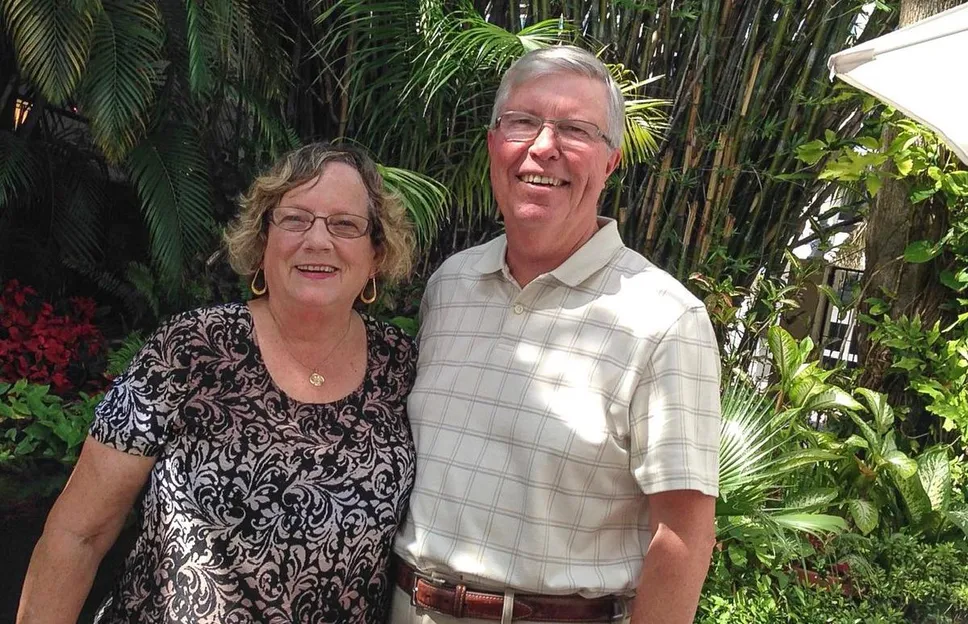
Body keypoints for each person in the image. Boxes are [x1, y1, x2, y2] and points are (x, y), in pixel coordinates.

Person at [17, 143, 418, 624]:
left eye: (345, 224)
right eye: (294, 219)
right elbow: (77, 534)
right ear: (262, 240)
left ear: (376, 254)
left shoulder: (401, 368)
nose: (317, 240)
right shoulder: (190, 350)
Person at [391, 46, 721, 624]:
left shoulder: (665, 319)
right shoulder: (451, 286)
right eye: (522, 122)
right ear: (494, 143)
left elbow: (684, 535)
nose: (543, 147)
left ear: (610, 160)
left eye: (575, 129)